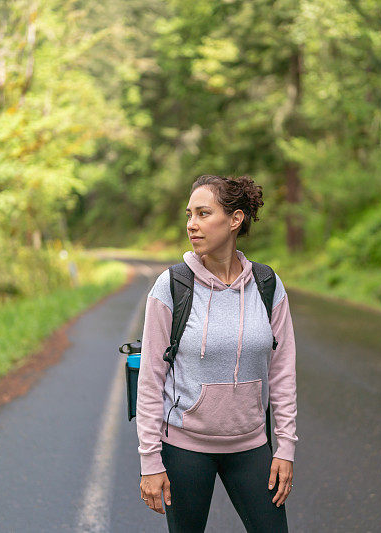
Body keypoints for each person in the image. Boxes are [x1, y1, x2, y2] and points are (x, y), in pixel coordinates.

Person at [136, 174, 299, 532]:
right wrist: (150, 459)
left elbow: (283, 373)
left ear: (235, 219)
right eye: (189, 215)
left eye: (203, 214)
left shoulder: (267, 285)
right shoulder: (173, 285)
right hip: (184, 447)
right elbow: (150, 379)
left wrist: (284, 447)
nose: (191, 225)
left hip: (251, 445)